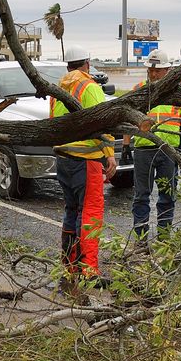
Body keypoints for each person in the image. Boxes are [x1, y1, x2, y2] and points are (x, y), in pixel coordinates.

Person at [50, 46, 116, 295]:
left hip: (64, 158)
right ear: (87, 63)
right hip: (86, 158)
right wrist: (109, 155)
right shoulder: (89, 87)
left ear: (68, 66)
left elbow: (53, 124)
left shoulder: (58, 90)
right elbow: (104, 121)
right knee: (90, 213)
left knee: (72, 210)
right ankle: (88, 270)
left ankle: (69, 266)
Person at [124, 49, 181, 248]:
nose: (153, 74)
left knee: (167, 196)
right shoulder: (138, 89)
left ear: (168, 70)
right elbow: (128, 118)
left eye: (158, 71)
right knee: (141, 197)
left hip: (168, 151)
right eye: (151, 70)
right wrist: (127, 144)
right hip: (144, 150)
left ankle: (164, 240)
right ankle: (140, 240)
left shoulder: (178, 93)